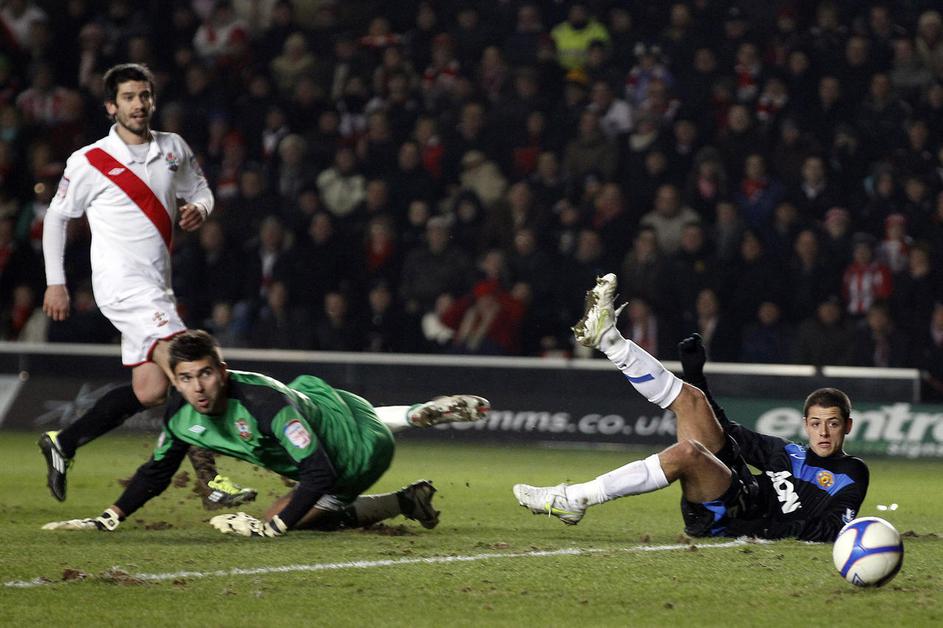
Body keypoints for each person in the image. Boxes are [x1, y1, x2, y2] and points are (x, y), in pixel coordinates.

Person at [38, 63, 252, 509]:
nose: (138, 104)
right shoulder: (90, 160)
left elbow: (202, 190)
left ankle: (64, 442)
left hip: (157, 286)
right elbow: (57, 218)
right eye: (129, 97)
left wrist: (201, 208)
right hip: (122, 286)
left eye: (144, 96)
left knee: (150, 390)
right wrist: (56, 283)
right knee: (189, 365)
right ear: (111, 107)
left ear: (153, 99)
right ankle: (211, 481)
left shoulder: (173, 148)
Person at [513, 274, 869, 542]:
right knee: (693, 400)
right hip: (739, 493)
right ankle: (610, 341)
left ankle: (575, 497)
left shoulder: (852, 472)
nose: (824, 432)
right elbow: (726, 429)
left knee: (689, 453)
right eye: (817, 423)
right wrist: (697, 375)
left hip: (734, 520)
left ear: (848, 427)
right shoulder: (786, 453)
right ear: (805, 424)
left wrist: (767, 529)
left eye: (833, 424)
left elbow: (835, 528)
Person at [42, 330, 491, 537]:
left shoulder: (261, 404)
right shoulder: (180, 415)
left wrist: (272, 526)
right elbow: (156, 472)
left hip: (357, 454)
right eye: (186, 379)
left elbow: (319, 472)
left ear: (222, 371)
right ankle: (410, 418)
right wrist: (110, 516)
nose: (198, 388)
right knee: (302, 464)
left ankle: (401, 499)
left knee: (300, 515)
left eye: (205, 374)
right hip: (335, 407)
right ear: (174, 381)